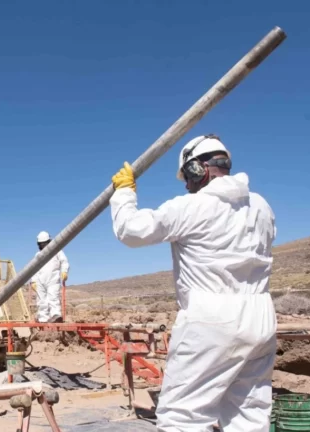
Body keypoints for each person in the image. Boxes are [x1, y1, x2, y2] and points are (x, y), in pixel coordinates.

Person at [110, 134, 277, 432]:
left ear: (197, 170)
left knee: (182, 418)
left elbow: (132, 231)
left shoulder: (192, 206)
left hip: (211, 318)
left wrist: (124, 193)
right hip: (261, 316)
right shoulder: (262, 206)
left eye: (186, 177)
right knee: (249, 416)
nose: (187, 185)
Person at [30, 231, 70, 323]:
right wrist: (33, 281)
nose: (43, 246)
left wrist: (64, 271)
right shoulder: (37, 255)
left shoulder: (57, 251)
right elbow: (34, 269)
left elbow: (64, 262)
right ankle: (43, 318)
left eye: (44, 243)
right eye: (41, 244)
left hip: (53, 279)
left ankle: (56, 315)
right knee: (41, 300)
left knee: (53, 297)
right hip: (40, 281)